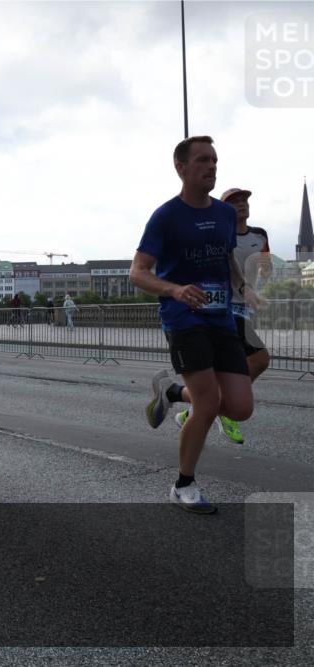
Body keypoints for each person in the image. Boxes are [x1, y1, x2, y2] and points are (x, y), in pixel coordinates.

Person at [131, 135, 260, 514]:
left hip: (221, 317)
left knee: (239, 407)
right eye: (203, 160)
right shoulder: (166, 216)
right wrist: (174, 289)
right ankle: (183, 484)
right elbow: (137, 273)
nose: (212, 166)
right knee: (207, 403)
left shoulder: (223, 214)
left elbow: (226, 259)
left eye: (215, 160)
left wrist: (242, 286)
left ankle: (172, 393)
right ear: (182, 168)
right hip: (183, 319)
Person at [167, 187, 271, 444]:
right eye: (234, 202)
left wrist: (265, 275)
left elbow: (266, 267)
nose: (241, 205)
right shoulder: (217, 232)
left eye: (245, 200)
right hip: (224, 310)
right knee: (260, 358)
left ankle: (184, 402)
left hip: (246, 309)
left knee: (215, 383)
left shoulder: (260, 235)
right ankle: (225, 411)